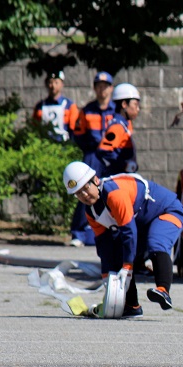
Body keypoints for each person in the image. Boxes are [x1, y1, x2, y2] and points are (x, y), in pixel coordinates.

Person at [62, 161, 183, 318]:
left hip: (169, 211)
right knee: (117, 253)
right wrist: (106, 276)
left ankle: (163, 291)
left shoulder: (115, 195)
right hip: (141, 223)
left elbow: (128, 231)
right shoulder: (92, 212)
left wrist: (127, 266)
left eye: (86, 188)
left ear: (95, 180)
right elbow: (104, 244)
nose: (84, 195)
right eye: (78, 193)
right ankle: (131, 306)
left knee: (156, 242)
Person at [70, 71, 116, 247]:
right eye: (99, 86)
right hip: (93, 155)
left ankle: (112, 229)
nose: (102, 90)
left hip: (112, 157)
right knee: (84, 191)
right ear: (94, 89)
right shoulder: (87, 110)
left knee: (112, 191)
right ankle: (79, 233)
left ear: (110, 89)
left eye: (105, 86)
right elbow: (79, 134)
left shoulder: (117, 111)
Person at [96, 82, 141, 178]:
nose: (138, 109)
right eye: (135, 104)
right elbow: (104, 150)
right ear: (124, 104)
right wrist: (123, 165)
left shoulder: (125, 124)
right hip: (117, 178)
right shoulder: (117, 126)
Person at [32, 71, 79, 142]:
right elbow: (34, 127)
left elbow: (74, 129)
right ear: (47, 84)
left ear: (62, 84)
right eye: (50, 82)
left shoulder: (70, 105)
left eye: (56, 82)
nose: (53, 86)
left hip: (64, 145)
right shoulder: (40, 106)